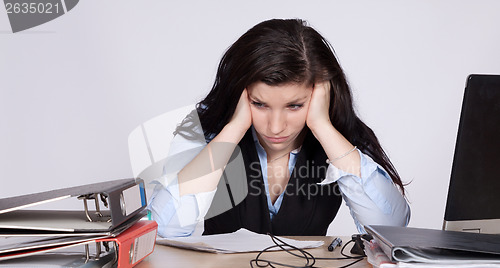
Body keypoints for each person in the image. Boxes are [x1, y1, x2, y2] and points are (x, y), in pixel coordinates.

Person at [149, 18, 410, 238]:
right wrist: (233, 129)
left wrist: (322, 127)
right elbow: (163, 229)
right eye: (259, 104)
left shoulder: (339, 136)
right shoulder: (208, 126)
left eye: (294, 106)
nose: (275, 127)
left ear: (319, 96)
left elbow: (390, 231)